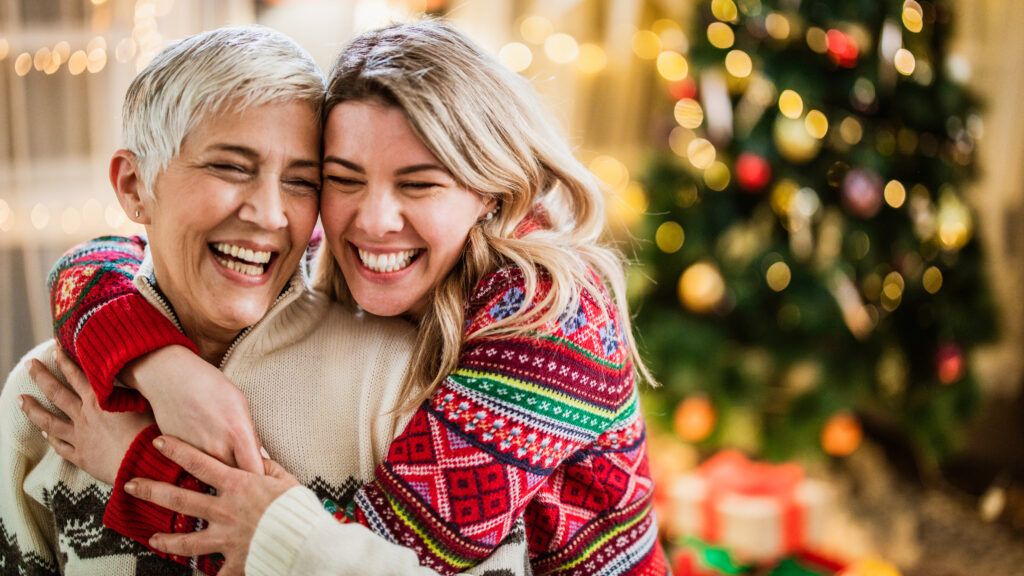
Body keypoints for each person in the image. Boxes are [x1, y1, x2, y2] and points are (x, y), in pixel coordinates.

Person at [25, 19, 668, 576]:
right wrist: (163, 367)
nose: (372, 220)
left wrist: (133, 468)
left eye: (418, 184)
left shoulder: (549, 325)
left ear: (490, 193)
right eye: (341, 179)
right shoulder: (333, 247)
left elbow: (362, 556)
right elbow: (102, 259)